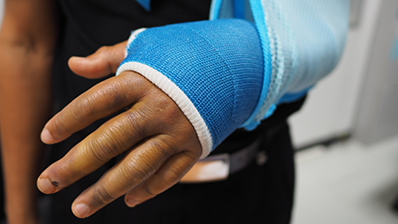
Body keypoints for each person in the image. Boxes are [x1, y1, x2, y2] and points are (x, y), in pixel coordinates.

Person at [0, 0, 349, 224]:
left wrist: (211, 71)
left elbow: (317, 25)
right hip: (87, 184)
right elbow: (25, 42)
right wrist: (20, 213)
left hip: (249, 181)